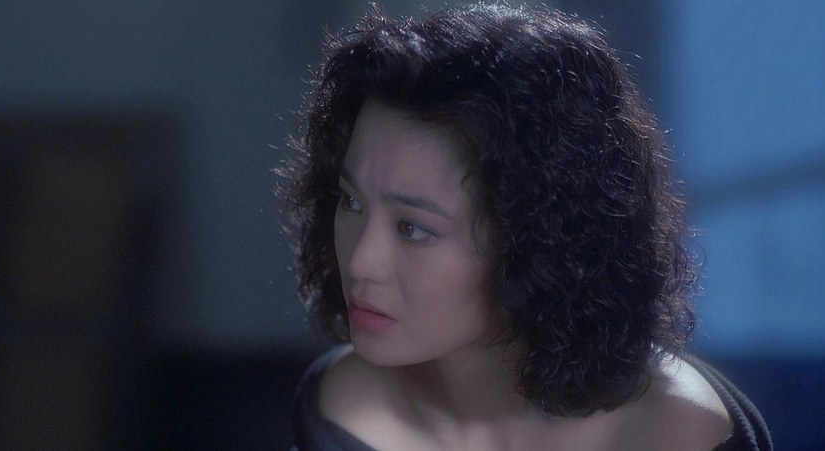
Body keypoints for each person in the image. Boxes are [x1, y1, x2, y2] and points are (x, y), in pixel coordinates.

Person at [277, 3, 771, 450]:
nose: (360, 261)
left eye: (413, 228)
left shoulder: (680, 434)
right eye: (351, 201)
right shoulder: (341, 409)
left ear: (540, 242)